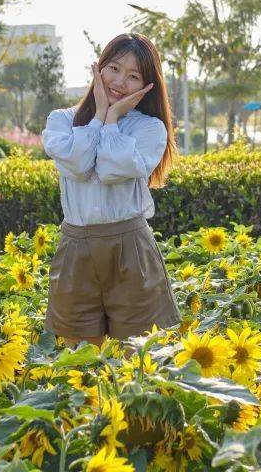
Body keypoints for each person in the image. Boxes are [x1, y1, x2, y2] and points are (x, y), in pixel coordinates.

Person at [41, 32, 181, 348]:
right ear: (99, 68)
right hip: (77, 247)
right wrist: (98, 119)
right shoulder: (61, 120)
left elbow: (109, 168)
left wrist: (112, 119)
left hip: (129, 246)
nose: (120, 82)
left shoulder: (149, 128)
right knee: (81, 361)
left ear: (148, 86)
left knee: (139, 357)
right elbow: (77, 164)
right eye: (114, 69)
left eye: (134, 76)